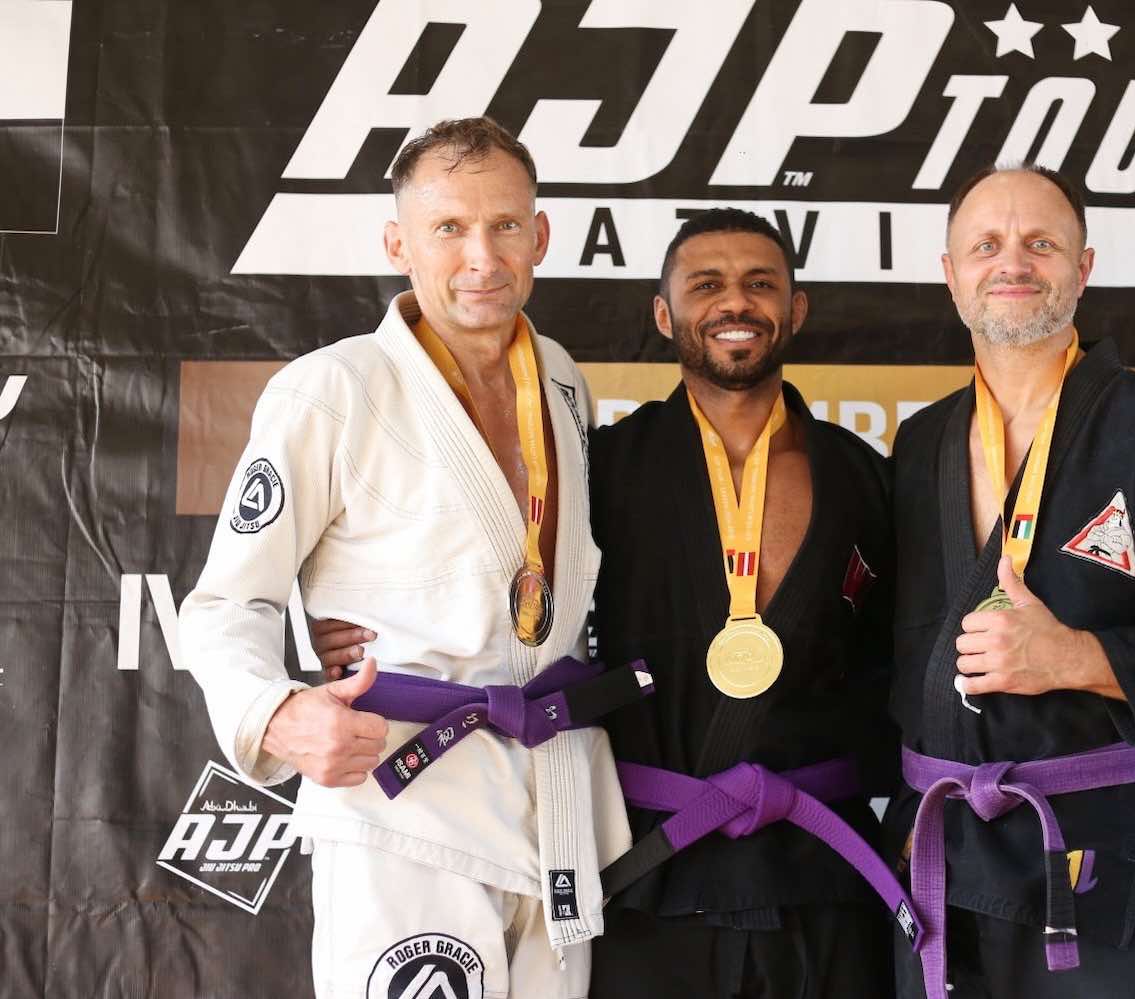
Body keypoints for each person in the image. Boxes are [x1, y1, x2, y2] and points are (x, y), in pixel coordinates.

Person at [318, 208, 910, 997]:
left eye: (760, 284)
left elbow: (910, 656)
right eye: (706, 285)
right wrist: (351, 624)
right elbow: (488, 587)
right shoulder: (597, 468)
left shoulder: (864, 476)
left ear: (795, 309)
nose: (735, 302)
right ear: (663, 314)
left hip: (825, 874)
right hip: (648, 869)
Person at [181, 117, 649, 999]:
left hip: (552, 797)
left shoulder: (560, 379)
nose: (482, 256)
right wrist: (275, 712)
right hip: (405, 798)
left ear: (540, 234)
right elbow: (223, 604)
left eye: (505, 225)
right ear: (398, 244)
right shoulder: (332, 389)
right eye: (448, 228)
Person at [883, 165, 1135, 999]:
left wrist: (1076, 657)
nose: (1012, 262)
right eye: (985, 245)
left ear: (1083, 268)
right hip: (940, 866)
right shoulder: (921, 443)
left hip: (1099, 867)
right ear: (950, 275)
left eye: (1040, 243)